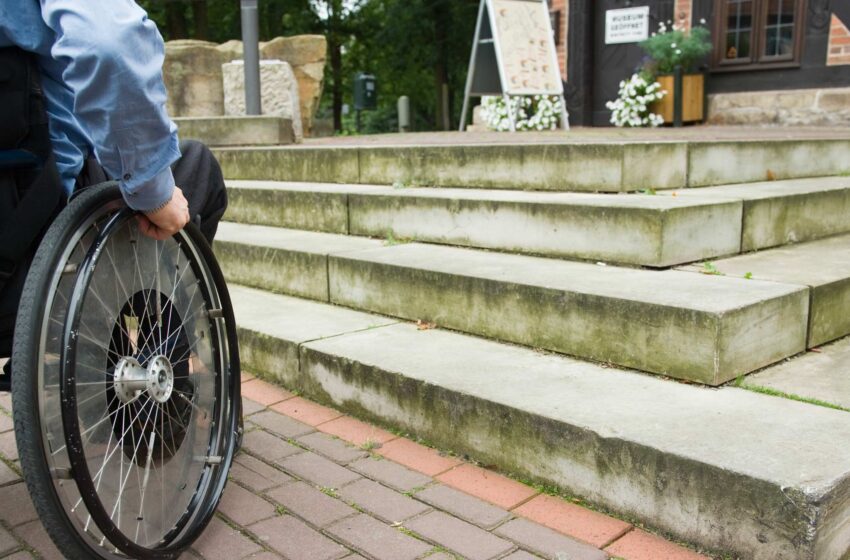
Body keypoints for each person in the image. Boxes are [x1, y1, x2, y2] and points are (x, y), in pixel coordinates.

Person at [0, 0, 228, 388]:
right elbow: (108, 43)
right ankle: (165, 391)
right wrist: (153, 191)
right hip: (26, 251)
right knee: (195, 166)